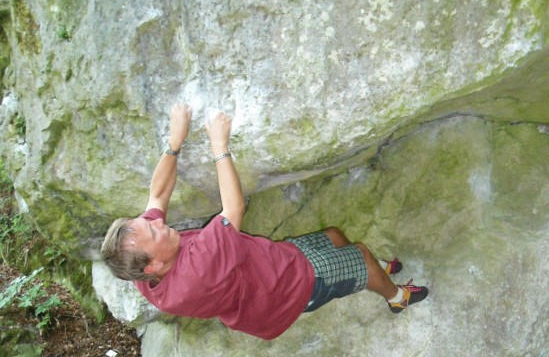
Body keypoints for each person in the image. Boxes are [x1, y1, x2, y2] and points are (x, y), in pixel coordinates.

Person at [101, 104, 428, 340]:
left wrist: (174, 142)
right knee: (361, 258)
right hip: (289, 289)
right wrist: (219, 145)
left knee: (333, 235)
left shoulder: (138, 262)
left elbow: (157, 196)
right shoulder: (195, 270)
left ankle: (379, 273)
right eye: (152, 231)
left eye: (149, 224)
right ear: (152, 265)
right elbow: (234, 208)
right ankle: (396, 297)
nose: (157, 223)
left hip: (270, 265)